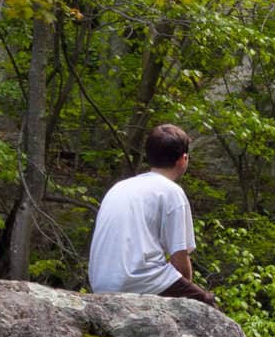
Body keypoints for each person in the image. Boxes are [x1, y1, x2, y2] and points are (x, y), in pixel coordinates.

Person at [87, 124, 216, 304]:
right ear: (183, 159)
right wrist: (189, 303)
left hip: (101, 284)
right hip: (137, 282)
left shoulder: (120, 187)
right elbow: (180, 260)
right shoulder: (171, 192)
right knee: (206, 305)